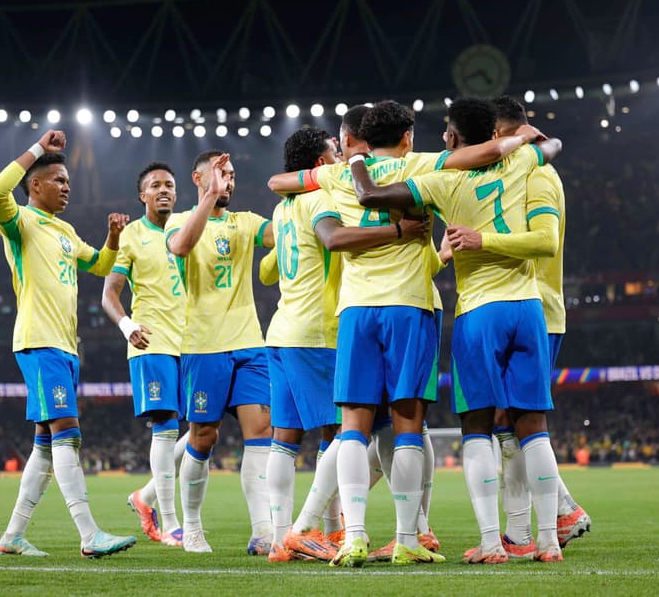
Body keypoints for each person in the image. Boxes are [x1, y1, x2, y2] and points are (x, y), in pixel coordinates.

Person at [348, 96, 565, 563]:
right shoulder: (524, 162)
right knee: (535, 430)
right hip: (528, 308)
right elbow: (554, 148)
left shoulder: (441, 180)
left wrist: (360, 164)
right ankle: (546, 542)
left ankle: (491, 543)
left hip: (479, 312)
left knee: (477, 431)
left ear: (450, 138)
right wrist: (527, 140)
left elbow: (376, 197)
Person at [263, 127, 429, 563]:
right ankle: (302, 529)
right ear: (320, 164)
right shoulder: (322, 197)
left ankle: (294, 535)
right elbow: (334, 239)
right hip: (317, 330)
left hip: (282, 330)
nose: (341, 158)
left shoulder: (285, 207)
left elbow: (267, 269)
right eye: (334, 153)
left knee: (286, 438)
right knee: (356, 429)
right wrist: (398, 231)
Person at [447, 96, 591, 555]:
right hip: (524, 306)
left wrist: (479, 239)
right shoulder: (517, 172)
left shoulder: (536, 176)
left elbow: (544, 242)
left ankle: (528, 531)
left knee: (515, 423)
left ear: (501, 136)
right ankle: (546, 521)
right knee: (511, 426)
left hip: (536, 309)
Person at [0, 130, 136, 559]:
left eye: (69, 181)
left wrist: (112, 236)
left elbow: (102, 265)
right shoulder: (20, 222)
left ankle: (12, 536)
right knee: (68, 436)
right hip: (40, 342)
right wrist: (39, 148)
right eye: (58, 179)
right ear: (35, 185)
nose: (67, 186)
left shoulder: (67, 231)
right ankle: (89, 534)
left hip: (65, 348)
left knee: (44, 444)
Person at [165, 150, 276, 554]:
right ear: (198, 178)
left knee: (261, 433)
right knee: (204, 437)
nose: (227, 181)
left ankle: (263, 531)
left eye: (230, 175)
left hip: (249, 343)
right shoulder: (179, 221)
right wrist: (208, 198)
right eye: (219, 174)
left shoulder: (245, 223)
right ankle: (191, 527)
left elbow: (279, 234)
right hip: (203, 346)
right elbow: (180, 248)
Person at [102, 162, 188, 548]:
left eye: (169, 184)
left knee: (206, 428)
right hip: (151, 340)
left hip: (194, 339)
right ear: (143, 195)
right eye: (155, 185)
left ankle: (145, 497)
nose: (164, 190)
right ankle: (169, 523)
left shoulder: (189, 228)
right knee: (167, 428)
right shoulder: (132, 235)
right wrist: (128, 326)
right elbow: (109, 294)